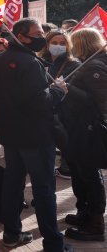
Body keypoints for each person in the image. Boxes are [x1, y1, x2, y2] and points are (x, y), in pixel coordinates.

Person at [0, 18, 72, 251]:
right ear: (22, 36)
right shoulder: (30, 63)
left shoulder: (0, 59)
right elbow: (40, 102)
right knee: (44, 189)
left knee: (13, 185)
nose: (41, 38)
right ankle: (54, 243)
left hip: (10, 134)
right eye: (37, 33)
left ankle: (11, 233)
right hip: (36, 136)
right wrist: (58, 91)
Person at [61, 28, 107, 242]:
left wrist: (68, 87)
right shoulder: (94, 63)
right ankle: (88, 215)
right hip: (82, 126)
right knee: (84, 172)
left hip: (88, 128)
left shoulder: (94, 66)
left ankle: (96, 225)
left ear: (81, 43)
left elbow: (100, 101)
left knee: (90, 174)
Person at [40, 30, 80, 180]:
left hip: (63, 112)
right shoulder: (40, 61)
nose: (58, 46)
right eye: (54, 43)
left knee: (64, 145)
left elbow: (78, 88)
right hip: (44, 110)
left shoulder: (73, 63)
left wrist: (65, 86)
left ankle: (66, 168)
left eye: (62, 43)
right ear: (47, 44)